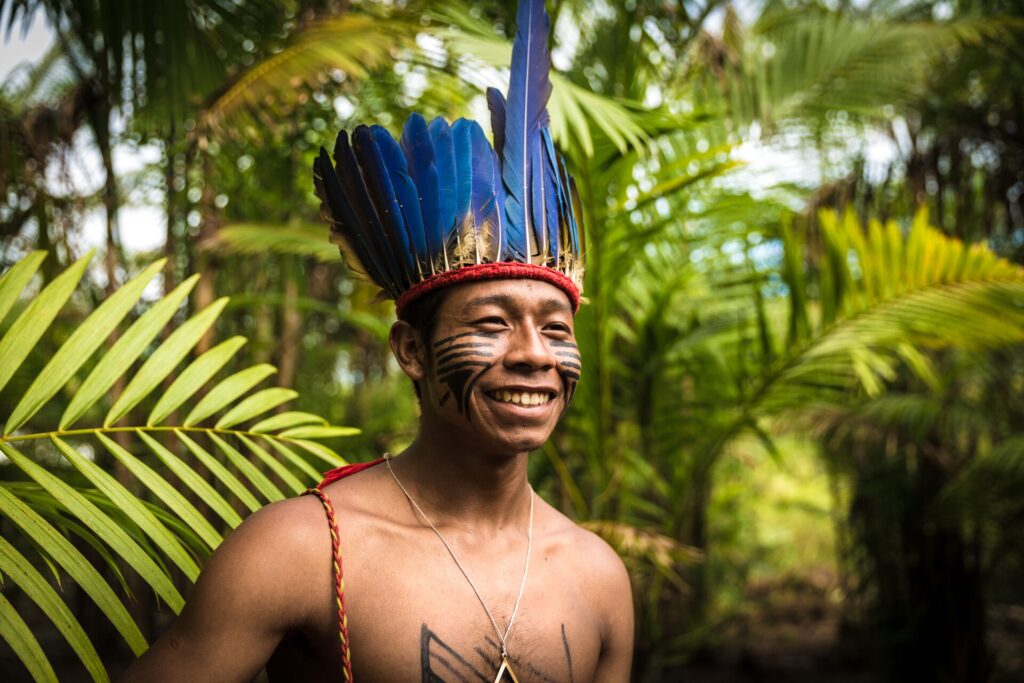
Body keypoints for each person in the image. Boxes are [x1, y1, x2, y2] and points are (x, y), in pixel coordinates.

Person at [122, 0, 633, 680]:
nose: (535, 353)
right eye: (490, 323)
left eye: (555, 328)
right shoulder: (302, 549)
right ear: (410, 350)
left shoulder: (599, 577)